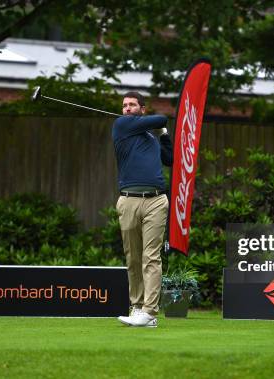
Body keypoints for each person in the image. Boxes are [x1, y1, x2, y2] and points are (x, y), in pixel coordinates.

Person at [113, 91, 172, 328]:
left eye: (132, 105)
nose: (127, 108)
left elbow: (170, 159)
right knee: (133, 258)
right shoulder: (121, 126)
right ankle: (136, 308)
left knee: (151, 257)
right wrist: (161, 126)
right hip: (128, 200)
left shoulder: (149, 137)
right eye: (124, 105)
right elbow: (162, 119)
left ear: (142, 109)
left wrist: (164, 137)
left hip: (156, 201)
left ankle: (149, 312)